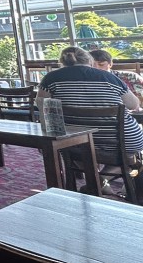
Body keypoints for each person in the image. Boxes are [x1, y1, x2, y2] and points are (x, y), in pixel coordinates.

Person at [38, 46, 142, 189]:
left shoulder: (50, 78)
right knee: (134, 155)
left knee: (72, 147)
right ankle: (101, 180)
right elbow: (133, 105)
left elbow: (42, 105)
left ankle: (96, 180)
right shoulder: (109, 77)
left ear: (63, 61)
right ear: (90, 61)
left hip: (77, 142)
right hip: (124, 141)